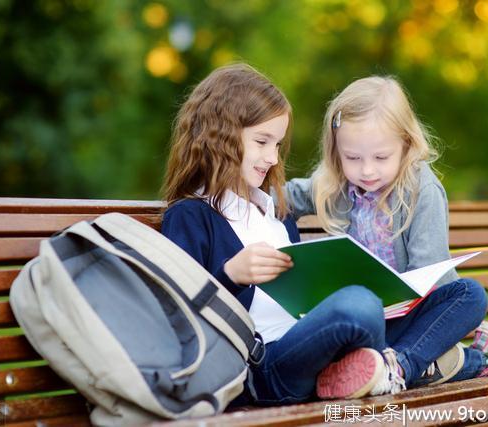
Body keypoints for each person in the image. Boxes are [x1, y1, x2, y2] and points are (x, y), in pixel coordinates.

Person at [161, 63, 406, 405]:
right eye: (262, 141)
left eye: (277, 144)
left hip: (313, 348)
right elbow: (177, 319)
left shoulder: (277, 211)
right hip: (265, 369)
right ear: (220, 135)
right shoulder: (191, 216)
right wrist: (231, 276)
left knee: (462, 293)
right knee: (360, 302)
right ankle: (408, 368)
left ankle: (395, 369)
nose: (272, 157)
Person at [280, 75, 488, 398]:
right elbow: (288, 196)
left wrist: (411, 307)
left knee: (471, 295)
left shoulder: (422, 189)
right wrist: (242, 191)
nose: (366, 171)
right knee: (345, 339)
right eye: (352, 158)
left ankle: (399, 368)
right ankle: (466, 360)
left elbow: (432, 276)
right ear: (336, 151)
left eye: (380, 158)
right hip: (363, 323)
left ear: (406, 145)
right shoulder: (334, 186)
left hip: (409, 315)